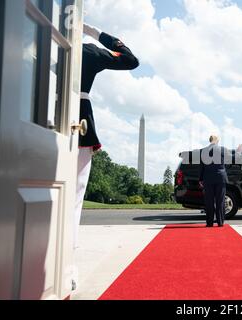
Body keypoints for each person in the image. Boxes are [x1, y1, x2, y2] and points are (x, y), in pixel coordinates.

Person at [74, 24, 140, 249]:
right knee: (75, 194)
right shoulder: (88, 52)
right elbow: (130, 60)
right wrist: (94, 32)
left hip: (36, 116)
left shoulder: (38, 41)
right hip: (79, 122)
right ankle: (65, 255)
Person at [199, 136, 242, 228]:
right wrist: (239, 151)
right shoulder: (222, 149)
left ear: (210, 141)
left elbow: (202, 167)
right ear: (217, 141)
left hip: (208, 179)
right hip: (220, 178)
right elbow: (234, 158)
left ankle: (209, 223)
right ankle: (220, 222)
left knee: (209, 201)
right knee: (220, 200)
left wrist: (200, 179)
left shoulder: (203, 151)